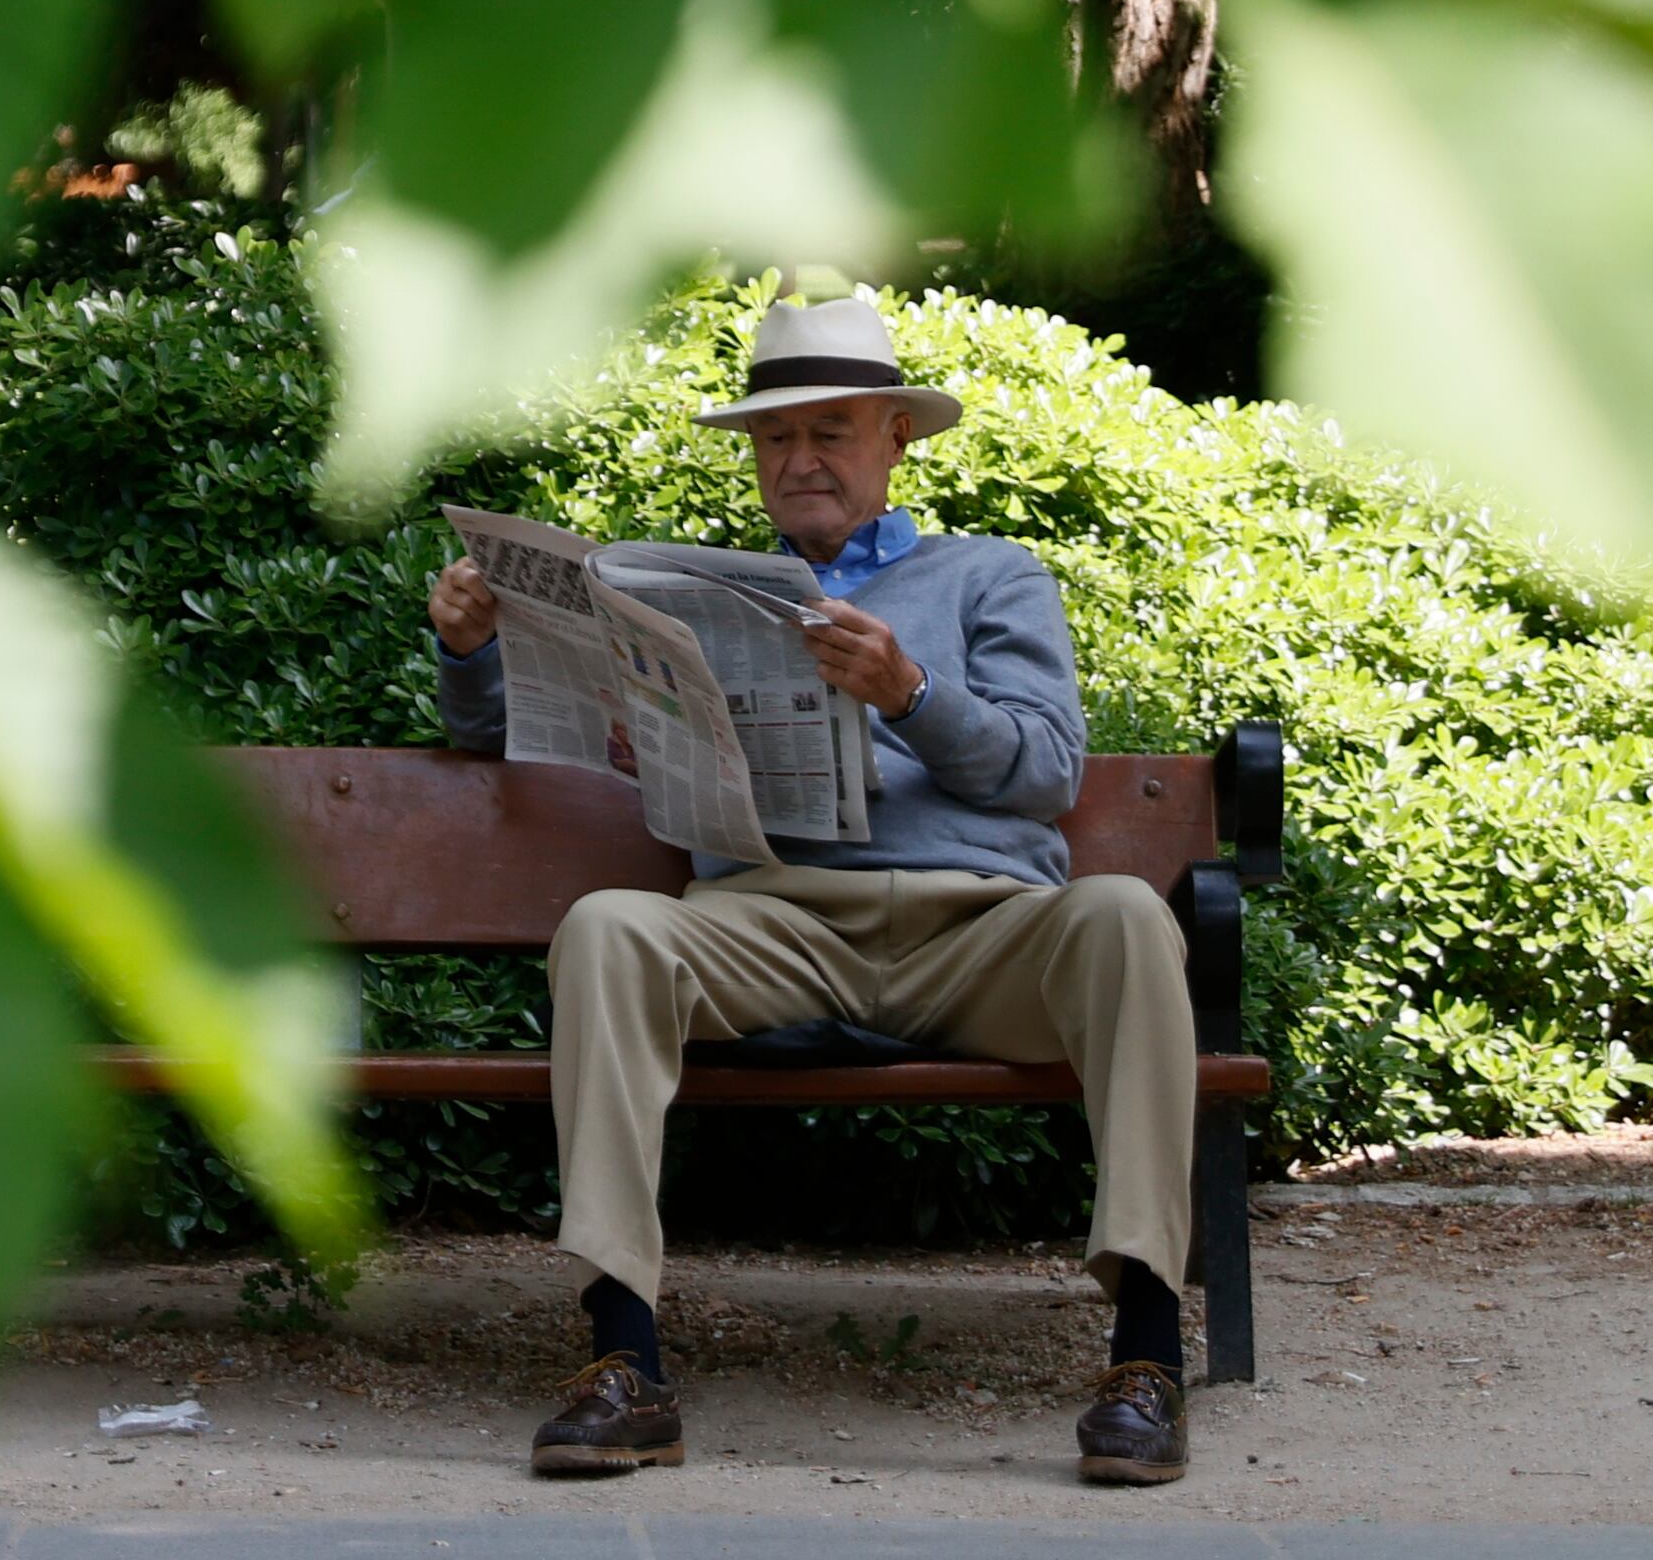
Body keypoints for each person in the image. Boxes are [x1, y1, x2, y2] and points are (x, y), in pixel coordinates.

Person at [427, 291, 1196, 1487]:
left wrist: (909, 693)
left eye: (829, 431)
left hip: (977, 929)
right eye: (775, 436)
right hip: (768, 924)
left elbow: (1046, 769)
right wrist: (472, 648)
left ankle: (1145, 1354)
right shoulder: (679, 589)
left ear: (895, 437)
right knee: (607, 927)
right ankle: (621, 1358)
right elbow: (510, 738)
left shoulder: (988, 575)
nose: (799, 459)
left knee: (1128, 916)